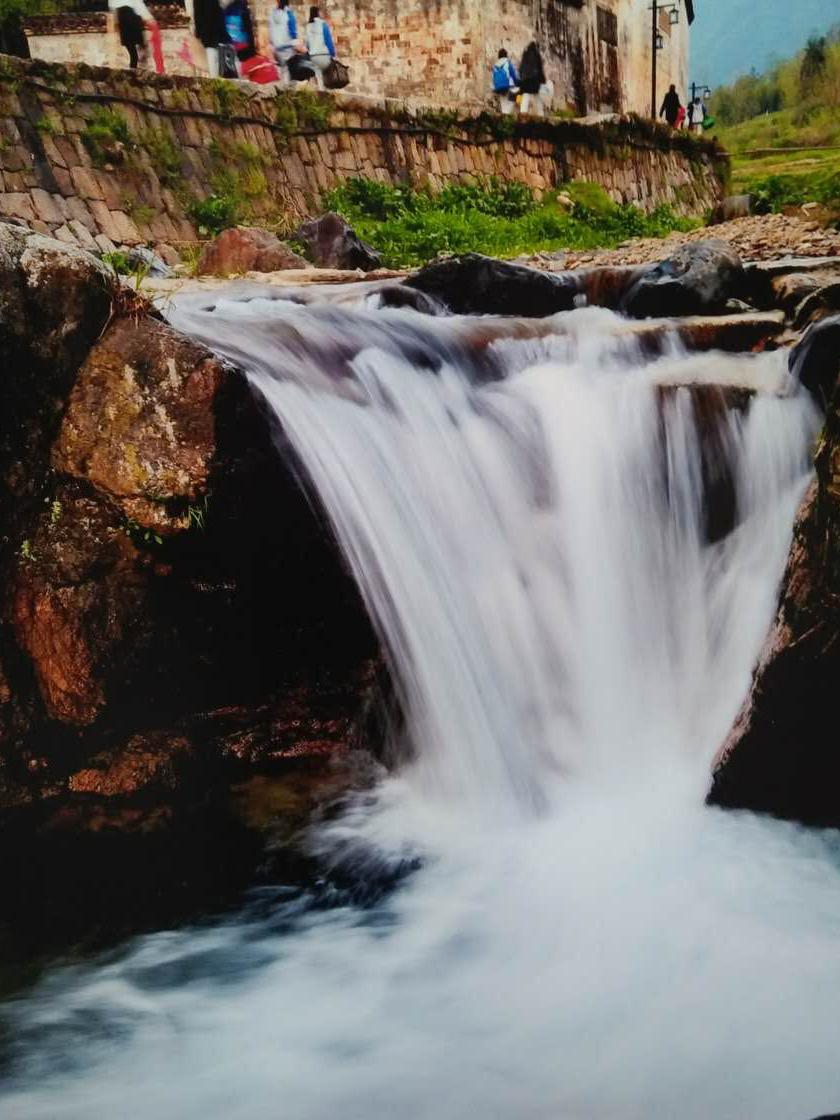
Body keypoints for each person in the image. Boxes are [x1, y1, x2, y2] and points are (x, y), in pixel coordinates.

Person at [108, 0, 156, 69]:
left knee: (135, 55)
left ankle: (136, 71)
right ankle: (136, 72)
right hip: (128, 20)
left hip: (129, 19)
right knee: (135, 55)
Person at [193, 0, 227, 77]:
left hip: (209, 33)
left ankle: (218, 81)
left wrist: (198, 34)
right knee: (226, 70)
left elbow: (198, 13)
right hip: (222, 32)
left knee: (214, 65)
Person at [305, 5, 336, 89]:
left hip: (314, 56)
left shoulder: (308, 26)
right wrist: (333, 54)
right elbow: (328, 41)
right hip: (324, 55)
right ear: (318, 13)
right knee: (329, 77)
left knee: (320, 81)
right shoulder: (323, 24)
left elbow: (307, 44)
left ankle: (321, 91)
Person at [270, 0, 299, 84]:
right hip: (288, 48)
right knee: (290, 73)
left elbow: (271, 30)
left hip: (276, 48)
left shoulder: (273, 13)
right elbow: (293, 32)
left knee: (283, 70)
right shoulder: (288, 13)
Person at [518, 41, 546, 116]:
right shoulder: (537, 54)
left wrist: (521, 78)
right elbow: (540, 68)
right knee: (537, 97)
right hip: (534, 80)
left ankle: (523, 113)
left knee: (525, 97)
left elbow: (521, 68)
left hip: (526, 80)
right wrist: (542, 80)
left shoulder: (525, 55)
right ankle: (540, 114)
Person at [492, 48, 519, 115]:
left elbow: (493, 78)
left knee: (504, 106)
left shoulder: (495, 65)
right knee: (518, 94)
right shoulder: (508, 63)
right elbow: (513, 75)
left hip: (499, 88)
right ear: (506, 55)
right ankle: (518, 110)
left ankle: (505, 117)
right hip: (508, 87)